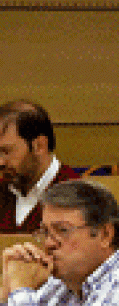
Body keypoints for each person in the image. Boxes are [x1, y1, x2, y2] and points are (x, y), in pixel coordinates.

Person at [0, 99, 80, 233]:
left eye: (6, 151)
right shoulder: (3, 188)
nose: (0, 162)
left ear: (39, 146)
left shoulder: (80, 198)